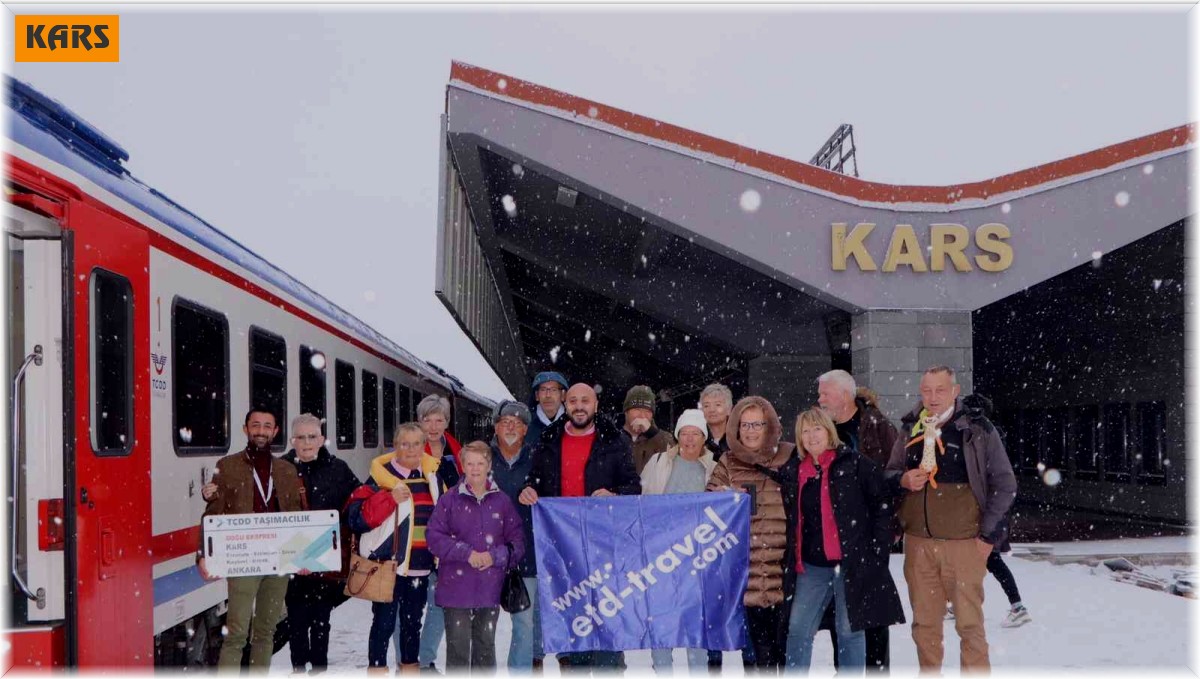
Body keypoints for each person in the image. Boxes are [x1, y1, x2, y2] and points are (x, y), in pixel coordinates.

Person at [886, 366, 1017, 673]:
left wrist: (987, 538)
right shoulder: (910, 428)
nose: (932, 397)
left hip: (964, 545)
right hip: (918, 545)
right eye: (927, 390)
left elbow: (1004, 483)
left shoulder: (977, 429)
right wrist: (903, 480)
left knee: (970, 626)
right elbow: (889, 473)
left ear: (955, 391)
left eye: (940, 390)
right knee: (925, 627)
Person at [765, 408, 905, 673]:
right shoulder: (794, 471)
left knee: (849, 631)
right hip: (811, 567)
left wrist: (877, 551)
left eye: (816, 428)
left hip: (851, 564)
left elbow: (881, 507)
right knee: (797, 629)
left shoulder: (855, 463)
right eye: (805, 431)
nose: (811, 436)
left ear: (828, 431)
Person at [520, 382, 641, 671]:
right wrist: (527, 490)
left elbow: (633, 485)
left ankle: (610, 668)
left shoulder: (613, 440)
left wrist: (614, 495)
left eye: (585, 400)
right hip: (564, 546)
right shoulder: (548, 440)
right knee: (575, 611)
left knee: (607, 612)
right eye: (573, 400)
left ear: (595, 405)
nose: (579, 406)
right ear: (565, 403)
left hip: (604, 546)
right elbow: (534, 480)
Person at [197, 407, 304, 672]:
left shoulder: (286, 470)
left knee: (265, 632)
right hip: (244, 558)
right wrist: (203, 554)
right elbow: (212, 513)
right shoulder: (228, 466)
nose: (261, 431)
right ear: (246, 429)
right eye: (255, 425)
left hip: (278, 559)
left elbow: (298, 517)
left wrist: (303, 555)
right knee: (236, 634)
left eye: (267, 426)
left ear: (275, 431)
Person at [816, 370, 901, 673]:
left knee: (873, 612)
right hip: (834, 539)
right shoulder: (820, 430)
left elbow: (895, 477)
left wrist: (887, 531)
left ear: (845, 394)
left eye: (825, 393)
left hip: (869, 537)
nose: (819, 398)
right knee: (843, 614)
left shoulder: (878, 427)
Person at [705, 396, 795, 671]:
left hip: (786, 568)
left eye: (758, 424)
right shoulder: (728, 462)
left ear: (770, 426)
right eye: (745, 425)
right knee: (760, 653)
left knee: (789, 648)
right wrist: (723, 498)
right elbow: (707, 504)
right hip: (749, 571)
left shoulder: (790, 456)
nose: (751, 430)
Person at [345, 423, 443, 673]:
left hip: (420, 567)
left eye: (416, 443)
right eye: (404, 444)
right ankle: (377, 670)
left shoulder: (433, 476)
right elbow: (356, 519)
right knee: (383, 624)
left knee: (412, 625)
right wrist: (388, 499)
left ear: (424, 446)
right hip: (388, 567)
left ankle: (410, 670)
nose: (411, 449)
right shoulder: (379, 477)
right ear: (395, 447)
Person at [427, 441, 526, 671]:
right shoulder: (449, 500)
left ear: (489, 465)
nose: (475, 468)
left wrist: (495, 556)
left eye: (480, 463)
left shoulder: (501, 501)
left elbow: (517, 543)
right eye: (469, 463)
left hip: (489, 588)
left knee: (485, 650)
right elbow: (434, 537)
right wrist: (466, 553)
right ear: (462, 465)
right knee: (458, 653)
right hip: (455, 589)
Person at [280, 414, 361, 674]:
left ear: (322, 439)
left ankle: (319, 669)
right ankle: (298, 668)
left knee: (321, 620)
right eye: (301, 437)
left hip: (325, 560)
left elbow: (357, 501)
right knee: (295, 620)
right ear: (292, 440)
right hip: (292, 559)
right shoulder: (280, 469)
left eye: (312, 436)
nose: (306, 442)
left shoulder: (338, 469)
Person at [639, 409, 717, 674]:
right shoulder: (659, 462)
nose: (689, 439)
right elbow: (642, 501)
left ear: (704, 437)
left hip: (698, 557)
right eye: (684, 433)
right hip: (662, 555)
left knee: (695, 623)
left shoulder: (715, 468)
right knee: (661, 621)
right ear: (677, 435)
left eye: (695, 433)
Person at [487, 400, 544, 671]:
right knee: (485, 622)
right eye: (505, 422)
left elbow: (551, 493)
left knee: (524, 622)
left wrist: (536, 491)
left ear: (525, 430)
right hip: (486, 555)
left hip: (527, 553)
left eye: (517, 423)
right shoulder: (481, 458)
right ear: (496, 427)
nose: (511, 426)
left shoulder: (539, 459)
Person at [409, 394, 461, 673]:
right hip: (415, 539)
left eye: (439, 418)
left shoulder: (456, 452)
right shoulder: (409, 451)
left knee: (440, 602)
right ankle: (408, 661)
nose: (432, 425)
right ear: (419, 421)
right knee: (410, 605)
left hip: (448, 540)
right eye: (427, 419)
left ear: (446, 422)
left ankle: (425, 660)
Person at [621, 385, 676, 473]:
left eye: (647, 411)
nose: (642, 416)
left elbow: (675, 457)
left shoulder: (663, 437)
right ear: (626, 412)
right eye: (637, 409)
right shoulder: (613, 438)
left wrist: (652, 433)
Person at [526, 371, 568, 446]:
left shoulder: (572, 425)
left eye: (553, 390)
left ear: (563, 395)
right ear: (537, 395)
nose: (548, 395)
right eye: (543, 390)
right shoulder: (525, 424)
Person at [699, 383, 734, 461]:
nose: (712, 410)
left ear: (729, 409)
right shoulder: (696, 440)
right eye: (706, 406)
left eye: (718, 405)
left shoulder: (739, 439)